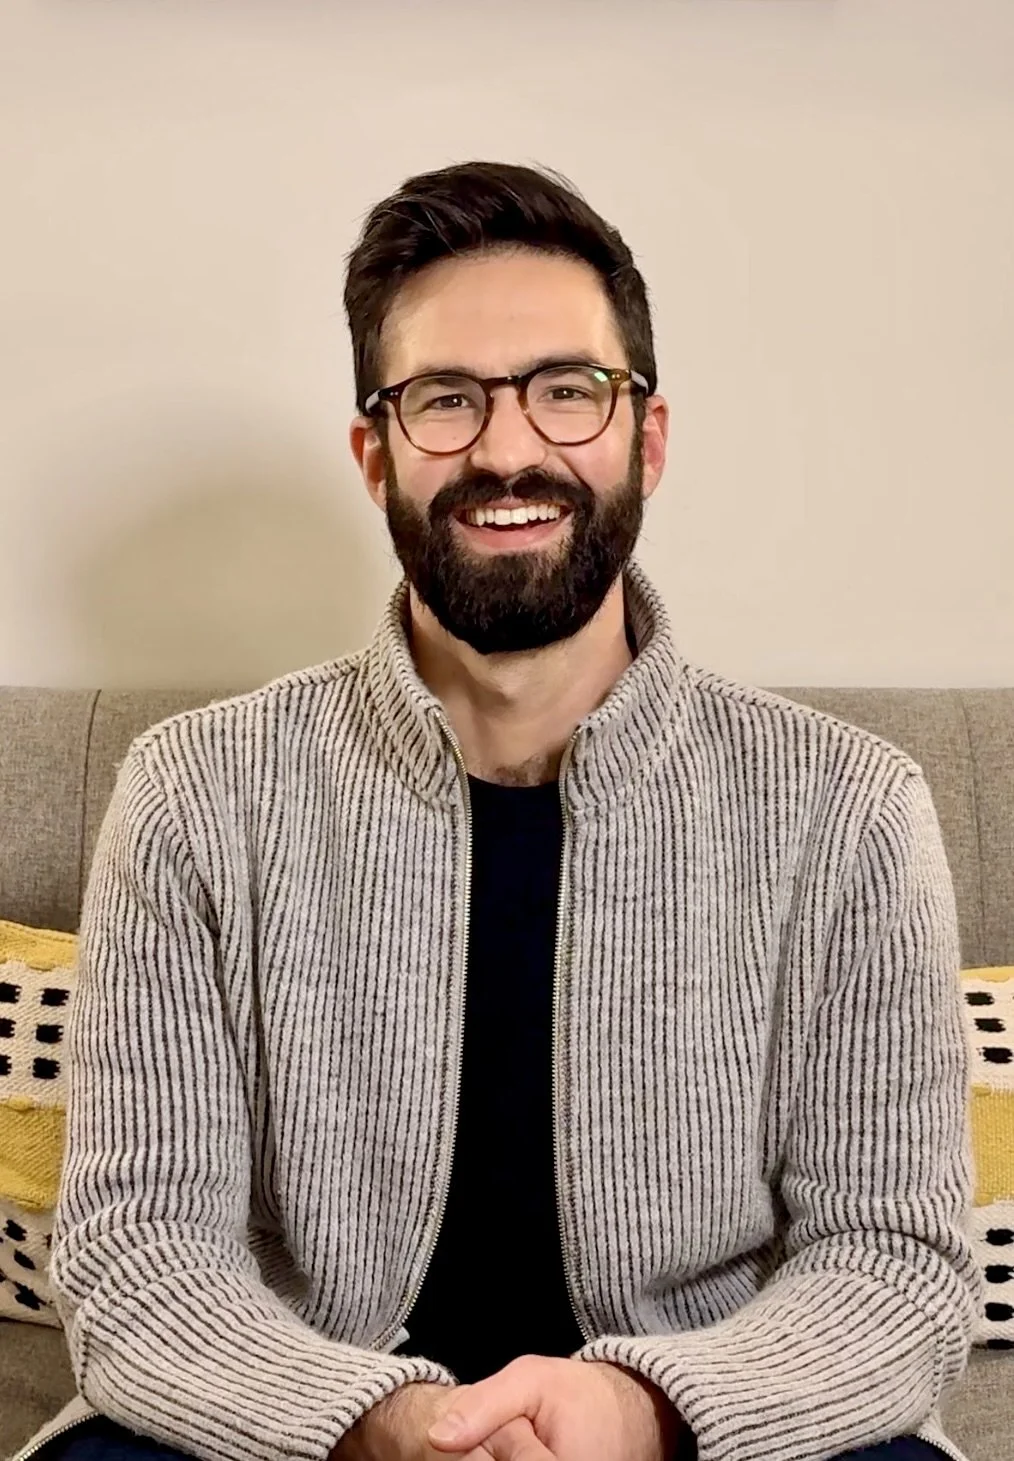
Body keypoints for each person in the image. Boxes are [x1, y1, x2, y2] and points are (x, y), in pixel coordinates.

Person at [40, 162, 979, 1461]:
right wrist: (383, 1421)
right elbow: (139, 1255)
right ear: (376, 456)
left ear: (644, 437)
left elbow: (893, 1266)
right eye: (445, 400)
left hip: (705, 1438)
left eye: (565, 390)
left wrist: (641, 1413)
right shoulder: (196, 795)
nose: (507, 447)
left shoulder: (850, 811)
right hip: (306, 1431)